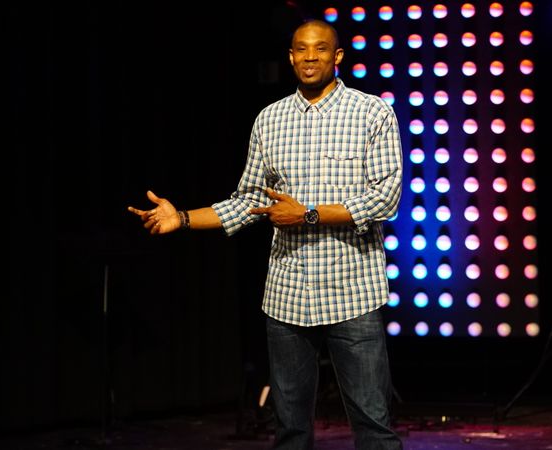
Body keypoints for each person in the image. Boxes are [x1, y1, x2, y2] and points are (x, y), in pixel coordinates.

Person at [128, 19, 403, 449]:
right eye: (301, 49)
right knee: (290, 430)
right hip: (288, 295)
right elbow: (247, 201)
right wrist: (181, 218)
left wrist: (308, 214)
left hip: (352, 292)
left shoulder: (372, 113)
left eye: (320, 49)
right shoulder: (270, 119)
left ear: (337, 56)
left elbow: (385, 199)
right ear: (291, 57)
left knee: (374, 427)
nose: (310, 57)